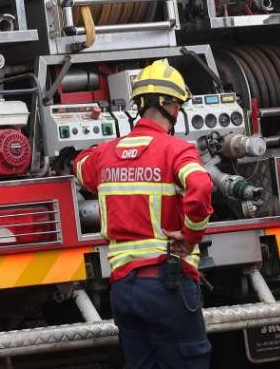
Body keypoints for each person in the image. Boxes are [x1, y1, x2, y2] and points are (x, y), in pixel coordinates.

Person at [73, 59, 215, 368]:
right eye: (178, 105)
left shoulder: (106, 154)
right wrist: (191, 237)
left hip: (124, 290)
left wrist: (99, 149)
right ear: (171, 106)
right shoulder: (176, 150)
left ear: (139, 104)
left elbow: (81, 167)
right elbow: (201, 186)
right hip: (167, 285)